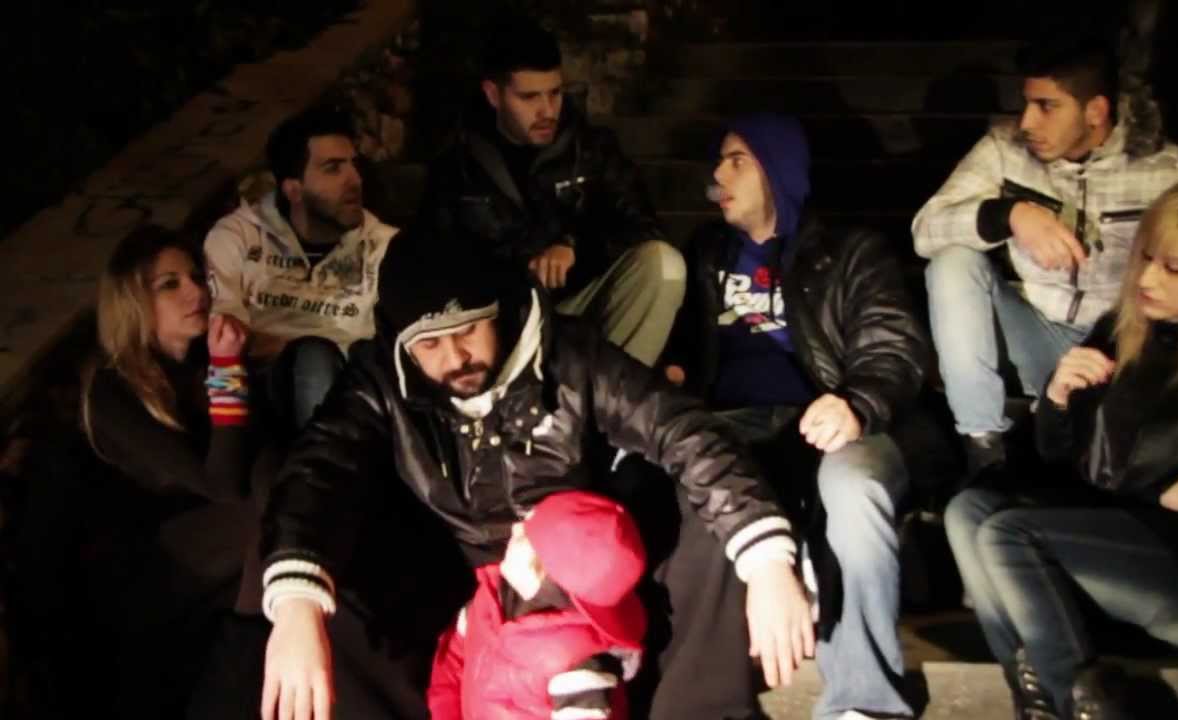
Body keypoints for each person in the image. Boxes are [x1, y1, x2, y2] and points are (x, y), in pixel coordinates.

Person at [255, 233, 813, 720]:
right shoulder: (378, 380)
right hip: (453, 573)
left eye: (469, 330)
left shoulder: (568, 355)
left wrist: (767, 563)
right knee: (327, 580)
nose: (456, 356)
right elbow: (320, 470)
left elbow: (681, 429)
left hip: (574, 567)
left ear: (497, 315)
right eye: (430, 344)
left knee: (703, 521)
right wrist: (297, 604)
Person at [945, 176, 1178, 720]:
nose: (1146, 278)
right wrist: (1057, 398)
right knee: (969, 511)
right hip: (1108, 551)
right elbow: (1061, 462)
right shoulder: (1122, 331)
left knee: (1011, 534)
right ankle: (1052, 703)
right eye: (1146, 257)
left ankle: (1068, 704)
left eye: (1174, 268)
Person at [664, 113, 927, 720]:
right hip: (730, 423)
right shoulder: (707, 251)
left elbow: (894, 346)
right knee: (690, 483)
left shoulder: (850, 251)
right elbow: (686, 346)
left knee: (853, 488)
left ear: (776, 172)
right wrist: (672, 374)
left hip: (831, 419)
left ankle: (863, 703)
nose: (717, 174)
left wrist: (857, 402)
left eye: (736, 160)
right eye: (719, 159)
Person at [911, 36, 1178, 484]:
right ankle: (985, 446)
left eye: (1047, 106)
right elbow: (925, 231)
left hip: (1119, 346)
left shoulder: (1169, 170)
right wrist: (1011, 214)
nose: (1028, 121)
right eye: (1026, 103)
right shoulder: (1005, 149)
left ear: (1095, 111)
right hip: (1036, 330)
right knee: (951, 262)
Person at [421, 17, 682, 367]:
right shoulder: (459, 165)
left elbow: (644, 226)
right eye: (529, 97)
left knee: (664, 263)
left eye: (555, 93)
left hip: (585, 306)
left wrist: (575, 246)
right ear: (493, 95)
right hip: (502, 319)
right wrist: (520, 265)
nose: (547, 110)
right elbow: (435, 257)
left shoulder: (592, 150)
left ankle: (618, 390)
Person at [80, 225, 258, 716]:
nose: (195, 292)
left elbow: (250, 463)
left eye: (196, 278)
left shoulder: (202, 367)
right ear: (133, 302)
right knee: (272, 526)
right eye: (170, 284)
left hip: (219, 552)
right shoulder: (113, 388)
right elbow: (221, 486)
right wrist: (228, 371)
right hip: (151, 562)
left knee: (282, 518)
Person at [204, 105, 397, 431]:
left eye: (354, 164)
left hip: (352, 399)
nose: (354, 180)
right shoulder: (238, 237)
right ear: (293, 189)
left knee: (320, 360)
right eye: (333, 168)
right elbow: (228, 336)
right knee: (313, 357)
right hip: (258, 396)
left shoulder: (384, 245)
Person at [428, 490, 646, 720]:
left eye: (526, 533)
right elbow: (455, 652)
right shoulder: (494, 594)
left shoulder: (581, 672)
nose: (515, 528)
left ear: (539, 571)